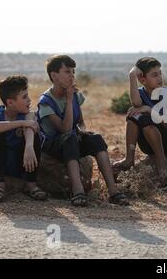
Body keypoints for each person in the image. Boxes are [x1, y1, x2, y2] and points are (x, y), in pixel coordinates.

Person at [37, 55, 129, 207]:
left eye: (73, 72)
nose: (72, 76)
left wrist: (83, 132)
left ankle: (113, 191)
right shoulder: (46, 102)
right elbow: (65, 129)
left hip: (72, 139)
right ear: (54, 75)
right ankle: (77, 190)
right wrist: (68, 99)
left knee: (96, 139)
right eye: (67, 72)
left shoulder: (75, 95)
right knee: (70, 138)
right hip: (54, 145)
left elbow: (80, 121)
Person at [112, 57, 167, 189]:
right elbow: (136, 104)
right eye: (154, 75)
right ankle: (129, 159)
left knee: (145, 118)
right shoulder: (141, 93)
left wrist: (149, 109)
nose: (160, 77)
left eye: (160, 73)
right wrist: (132, 75)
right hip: (148, 144)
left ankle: (162, 162)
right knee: (134, 116)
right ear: (142, 80)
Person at [0, 76, 48, 202]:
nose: (29, 100)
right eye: (24, 97)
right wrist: (20, 123)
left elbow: (30, 127)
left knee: (34, 136)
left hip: (22, 162)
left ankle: (31, 184)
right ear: (10, 102)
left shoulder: (28, 114)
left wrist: (29, 147)